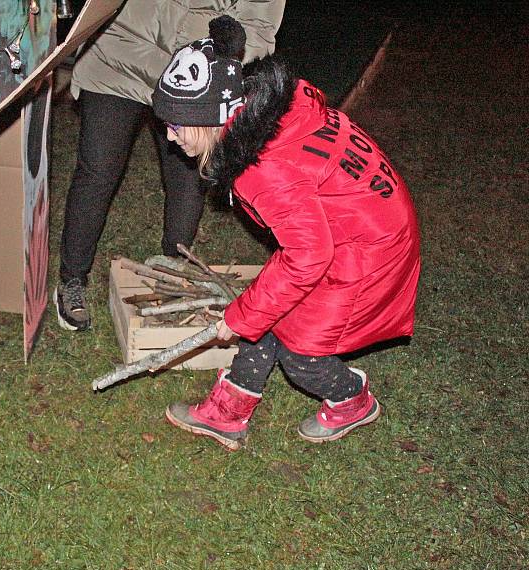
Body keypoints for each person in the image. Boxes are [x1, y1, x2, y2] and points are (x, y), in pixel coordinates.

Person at [150, 16, 421, 447]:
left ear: (208, 120)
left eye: (177, 124)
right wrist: (250, 314)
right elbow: (306, 242)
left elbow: (309, 256)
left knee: (301, 352)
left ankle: (353, 401)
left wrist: (238, 318)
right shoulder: (264, 115)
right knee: (268, 311)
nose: (168, 136)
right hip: (350, 228)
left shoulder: (263, 170)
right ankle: (228, 411)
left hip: (368, 249)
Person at [55, 0, 286, 331]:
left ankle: (174, 269)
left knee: (189, 178)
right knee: (97, 173)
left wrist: (216, 60)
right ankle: (72, 278)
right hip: (119, 54)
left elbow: (259, 28)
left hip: (194, 74)